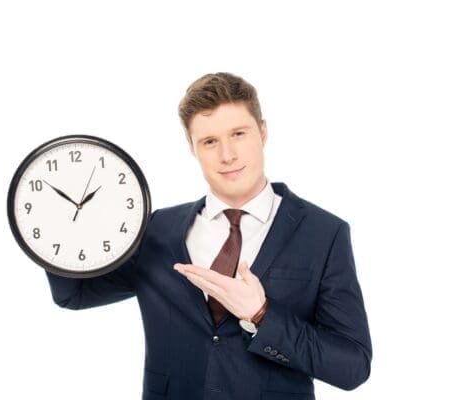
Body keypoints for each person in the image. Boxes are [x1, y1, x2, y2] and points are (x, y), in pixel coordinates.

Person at [46, 72, 372, 399]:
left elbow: (352, 365)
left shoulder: (324, 234)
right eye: (210, 141)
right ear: (192, 147)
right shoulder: (158, 229)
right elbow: (75, 293)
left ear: (263, 132)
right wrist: (59, 225)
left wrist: (262, 315)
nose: (227, 155)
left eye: (239, 134)